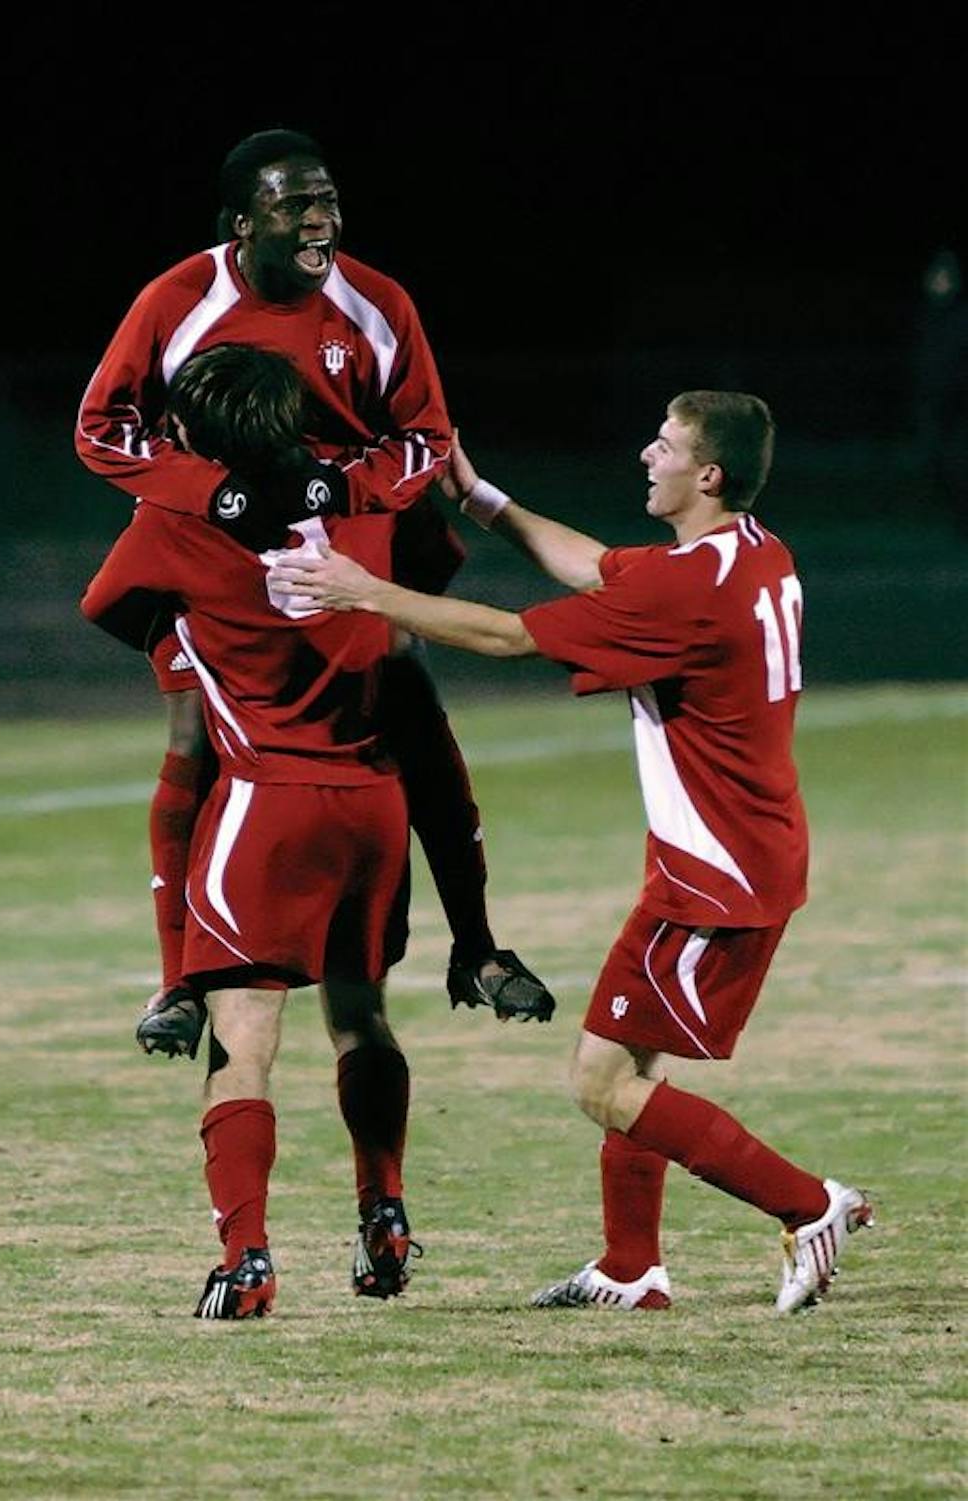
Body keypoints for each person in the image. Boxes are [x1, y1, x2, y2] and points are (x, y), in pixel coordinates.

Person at [272, 391, 876, 1315]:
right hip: (731, 856)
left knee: (603, 1083)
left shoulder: (688, 589)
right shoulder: (753, 552)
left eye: (665, 444)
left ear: (706, 475)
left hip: (715, 877)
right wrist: (482, 498)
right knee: (634, 1063)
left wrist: (363, 592)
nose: (646, 453)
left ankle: (808, 1203)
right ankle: (631, 1268)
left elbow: (511, 634)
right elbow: (595, 567)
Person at [74, 126, 554, 1058]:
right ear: (242, 220)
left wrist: (343, 488)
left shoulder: (377, 303)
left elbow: (425, 435)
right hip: (209, 532)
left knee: (411, 711)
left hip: (342, 529)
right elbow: (103, 426)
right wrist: (211, 491)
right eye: (296, 203)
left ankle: (479, 948)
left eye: (328, 198)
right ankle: (177, 978)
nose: (321, 217)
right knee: (195, 736)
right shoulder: (180, 297)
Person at [82, 343, 427, 1318]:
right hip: (372, 798)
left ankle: (246, 1259)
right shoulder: (360, 494)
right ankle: (384, 1211)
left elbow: (105, 605)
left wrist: (196, 626)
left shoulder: (174, 515)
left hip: (264, 799)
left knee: (243, 1037)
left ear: (189, 434)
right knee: (360, 1014)